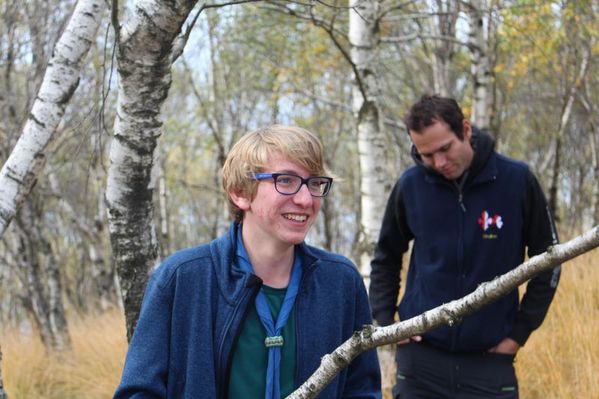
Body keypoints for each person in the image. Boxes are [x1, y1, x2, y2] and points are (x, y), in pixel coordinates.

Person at [114, 125, 381, 399]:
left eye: (314, 183)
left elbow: (362, 390)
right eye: (286, 180)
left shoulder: (340, 281)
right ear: (240, 192)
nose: (305, 199)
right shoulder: (182, 279)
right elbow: (138, 392)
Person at [369, 95, 561, 399]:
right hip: (420, 362)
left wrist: (518, 334)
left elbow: (550, 260)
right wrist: (388, 323)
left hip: (490, 362)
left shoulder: (516, 180)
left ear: (466, 130)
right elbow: (385, 259)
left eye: (445, 148)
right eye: (426, 155)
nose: (439, 163)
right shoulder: (411, 184)